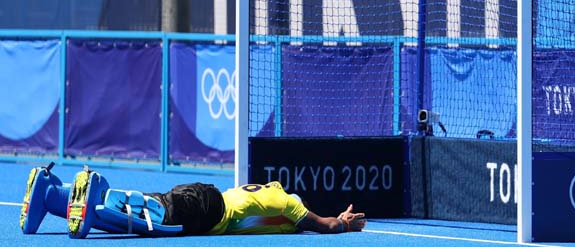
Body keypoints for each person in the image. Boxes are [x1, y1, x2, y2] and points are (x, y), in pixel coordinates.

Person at [20, 163, 366, 239]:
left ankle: (50, 196)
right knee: (153, 215)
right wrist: (345, 223)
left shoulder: (271, 192)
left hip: (205, 196)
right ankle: (97, 190)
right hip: (211, 210)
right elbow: (326, 226)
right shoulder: (289, 205)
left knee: (143, 222)